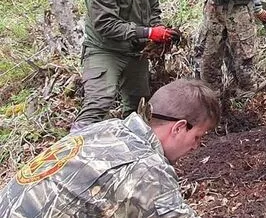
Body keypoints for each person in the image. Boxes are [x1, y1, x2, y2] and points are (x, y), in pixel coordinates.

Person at [0, 78, 220, 217]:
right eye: (198, 137)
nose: (196, 147)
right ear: (179, 128)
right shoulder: (147, 168)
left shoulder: (108, 128)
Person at [72, 0, 179, 131]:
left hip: (135, 51)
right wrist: (148, 32)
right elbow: (105, 25)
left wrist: (159, 30)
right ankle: (76, 147)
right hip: (105, 50)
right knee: (99, 100)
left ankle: (132, 146)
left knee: (139, 104)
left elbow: (153, 10)